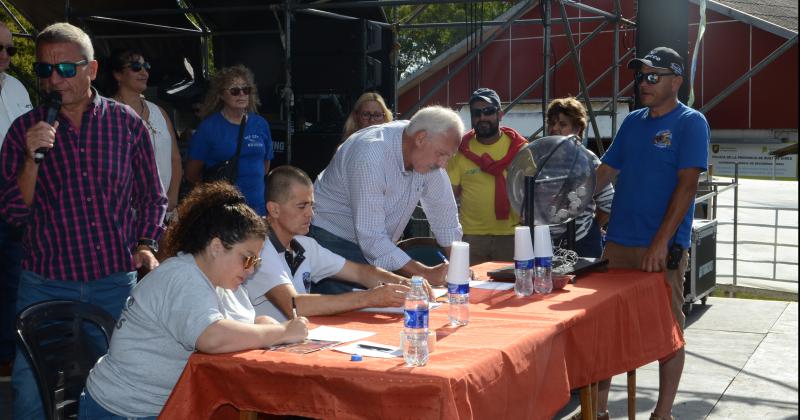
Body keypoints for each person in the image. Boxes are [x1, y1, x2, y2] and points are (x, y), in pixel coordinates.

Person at [0, 22, 167, 419]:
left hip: (111, 281)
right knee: (30, 390)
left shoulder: (126, 124)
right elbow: (13, 213)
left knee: (114, 387)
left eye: (66, 70)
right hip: (45, 282)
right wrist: (30, 160)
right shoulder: (24, 129)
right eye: (44, 70)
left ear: (91, 70)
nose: (54, 79)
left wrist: (146, 244)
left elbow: (152, 196)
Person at [79, 182, 308, 419]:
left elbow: (244, 324)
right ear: (217, 246)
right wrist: (281, 331)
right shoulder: (182, 276)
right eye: (248, 259)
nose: (251, 270)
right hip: (125, 411)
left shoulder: (222, 280)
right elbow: (212, 337)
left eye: (256, 263)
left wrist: (264, 324)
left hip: (168, 406)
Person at [590, 47, 709, 420]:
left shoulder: (691, 122)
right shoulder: (632, 122)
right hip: (618, 243)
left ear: (676, 80)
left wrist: (662, 242)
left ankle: (662, 413)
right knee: (605, 329)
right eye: (642, 76)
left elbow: (688, 187)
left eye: (653, 76)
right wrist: (567, 199)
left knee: (666, 333)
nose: (644, 83)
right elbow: (605, 171)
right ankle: (598, 411)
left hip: (661, 248)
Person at [241, 165, 436, 321]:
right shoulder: (258, 248)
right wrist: (370, 297)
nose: (310, 214)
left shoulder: (304, 245)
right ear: (274, 209)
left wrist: (408, 284)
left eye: (312, 205)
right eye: (302, 206)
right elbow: (295, 305)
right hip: (263, 351)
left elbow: (362, 272)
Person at [309, 105, 464, 293]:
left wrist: (458, 268)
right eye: (441, 154)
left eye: (448, 157)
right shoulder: (369, 155)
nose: (443, 164)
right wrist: (424, 273)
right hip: (333, 240)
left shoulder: (427, 149)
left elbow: (444, 213)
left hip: (372, 243)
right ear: (420, 138)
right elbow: (372, 238)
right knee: (349, 317)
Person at [446, 88, 526, 264]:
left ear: (500, 114)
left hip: (512, 236)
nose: (482, 118)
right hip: (472, 238)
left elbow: (534, 191)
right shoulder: (460, 151)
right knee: (471, 290)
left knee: (512, 290)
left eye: (488, 111)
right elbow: (450, 195)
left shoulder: (520, 149)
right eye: (476, 113)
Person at [186, 65, 273, 216]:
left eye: (246, 89)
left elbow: (265, 166)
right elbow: (192, 173)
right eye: (234, 90)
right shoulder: (208, 127)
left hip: (258, 210)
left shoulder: (261, 124)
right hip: (223, 211)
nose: (241, 94)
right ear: (221, 95)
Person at [109, 48, 183, 219]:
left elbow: (175, 158)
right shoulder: (108, 114)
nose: (144, 72)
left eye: (146, 66)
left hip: (165, 211)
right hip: (128, 215)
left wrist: (172, 197)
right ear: (118, 75)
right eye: (136, 67)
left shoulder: (159, 112)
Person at [0, 20, 32, 378]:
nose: (6, 56)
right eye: (0, 49)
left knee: (13, 274)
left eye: (11, 48)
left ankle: (6, 353)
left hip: (15, 188)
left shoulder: (18, 87)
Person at [545, 97, 615, 258]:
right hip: (546, 243)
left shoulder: (588, 160)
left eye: (562, 124)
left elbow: (608, 203)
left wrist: (590, 227)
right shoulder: (541, 159)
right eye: (552, 123)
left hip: (582, 243)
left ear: (577, 128)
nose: (555, 128)